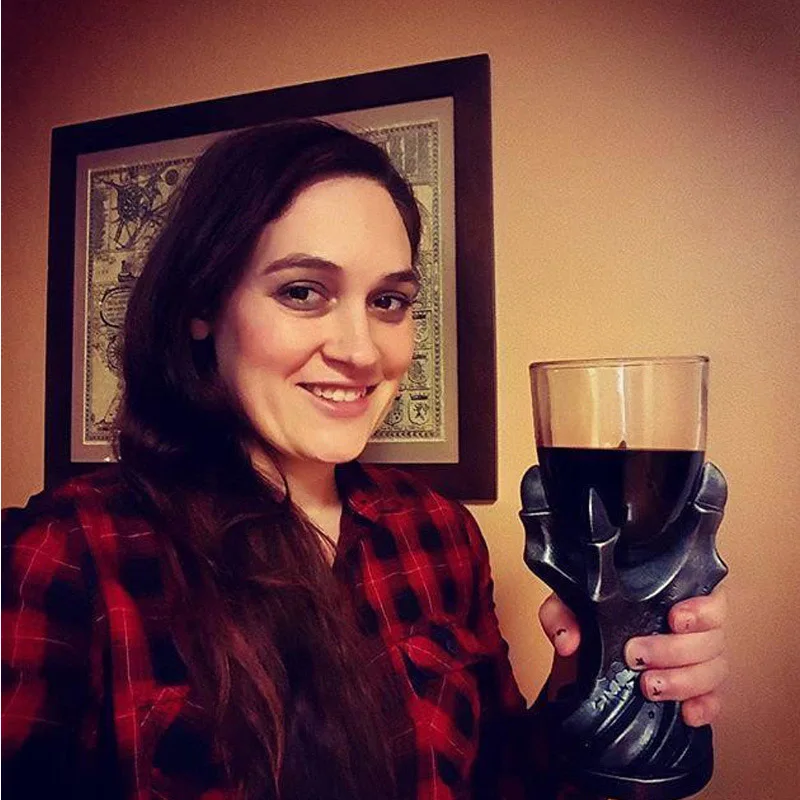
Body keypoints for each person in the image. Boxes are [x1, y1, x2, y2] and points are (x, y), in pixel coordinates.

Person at [2, 120, 727, 800]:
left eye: (388, 301)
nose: (361, 351)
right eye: (302, 292)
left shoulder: (436, 533)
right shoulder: (73, 551)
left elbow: (504, 780)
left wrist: (598, 671)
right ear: (202, 306)